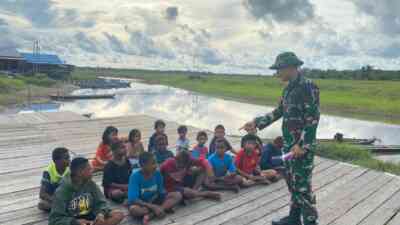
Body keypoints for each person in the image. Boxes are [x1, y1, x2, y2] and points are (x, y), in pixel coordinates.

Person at [241, 52, 320, 225]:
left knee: (303, 188)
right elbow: (279, 112)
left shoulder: (308, 87)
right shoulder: (288, 89)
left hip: (300, 149)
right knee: (292, 183)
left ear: (291, 67)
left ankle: (311, 222)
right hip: (289, 147)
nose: (277, 73)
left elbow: (312, 119)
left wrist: (302, 145)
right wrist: (257, 122)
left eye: (279, 69)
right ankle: (293, 219)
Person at [49, 157, 124, 225]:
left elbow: (101, 202)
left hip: (92, 218)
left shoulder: (90, 183)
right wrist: (75, 222)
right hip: (73, 221)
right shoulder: (62, 191)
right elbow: (55, 219)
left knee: (118, 215)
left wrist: (101, 213)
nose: (93, 171)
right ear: (80, 172)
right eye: (89, 169)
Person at [128, 152, 182, 225]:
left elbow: (161, 192)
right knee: (134, 210)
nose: (155, 166)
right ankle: (160, 209)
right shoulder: (134, 177)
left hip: (155, 200)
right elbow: (133, 199)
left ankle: (151, 215)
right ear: (142, 165)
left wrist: (164, 198)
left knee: (177, 195)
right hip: (142, 204)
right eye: (152, 163)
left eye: (156, 163)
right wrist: (153, 206)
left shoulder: (157, 174)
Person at [38, 147, 71, 212]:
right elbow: (42, 194)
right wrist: (56, 200)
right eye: (66, 158)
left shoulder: (70, 168)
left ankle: (62, 208)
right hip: (53, 196)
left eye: (69, 157)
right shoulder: (48, 172)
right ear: (56, 161)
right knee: (42, 204)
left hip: (65, 195)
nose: (69, 160)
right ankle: (64, 207)